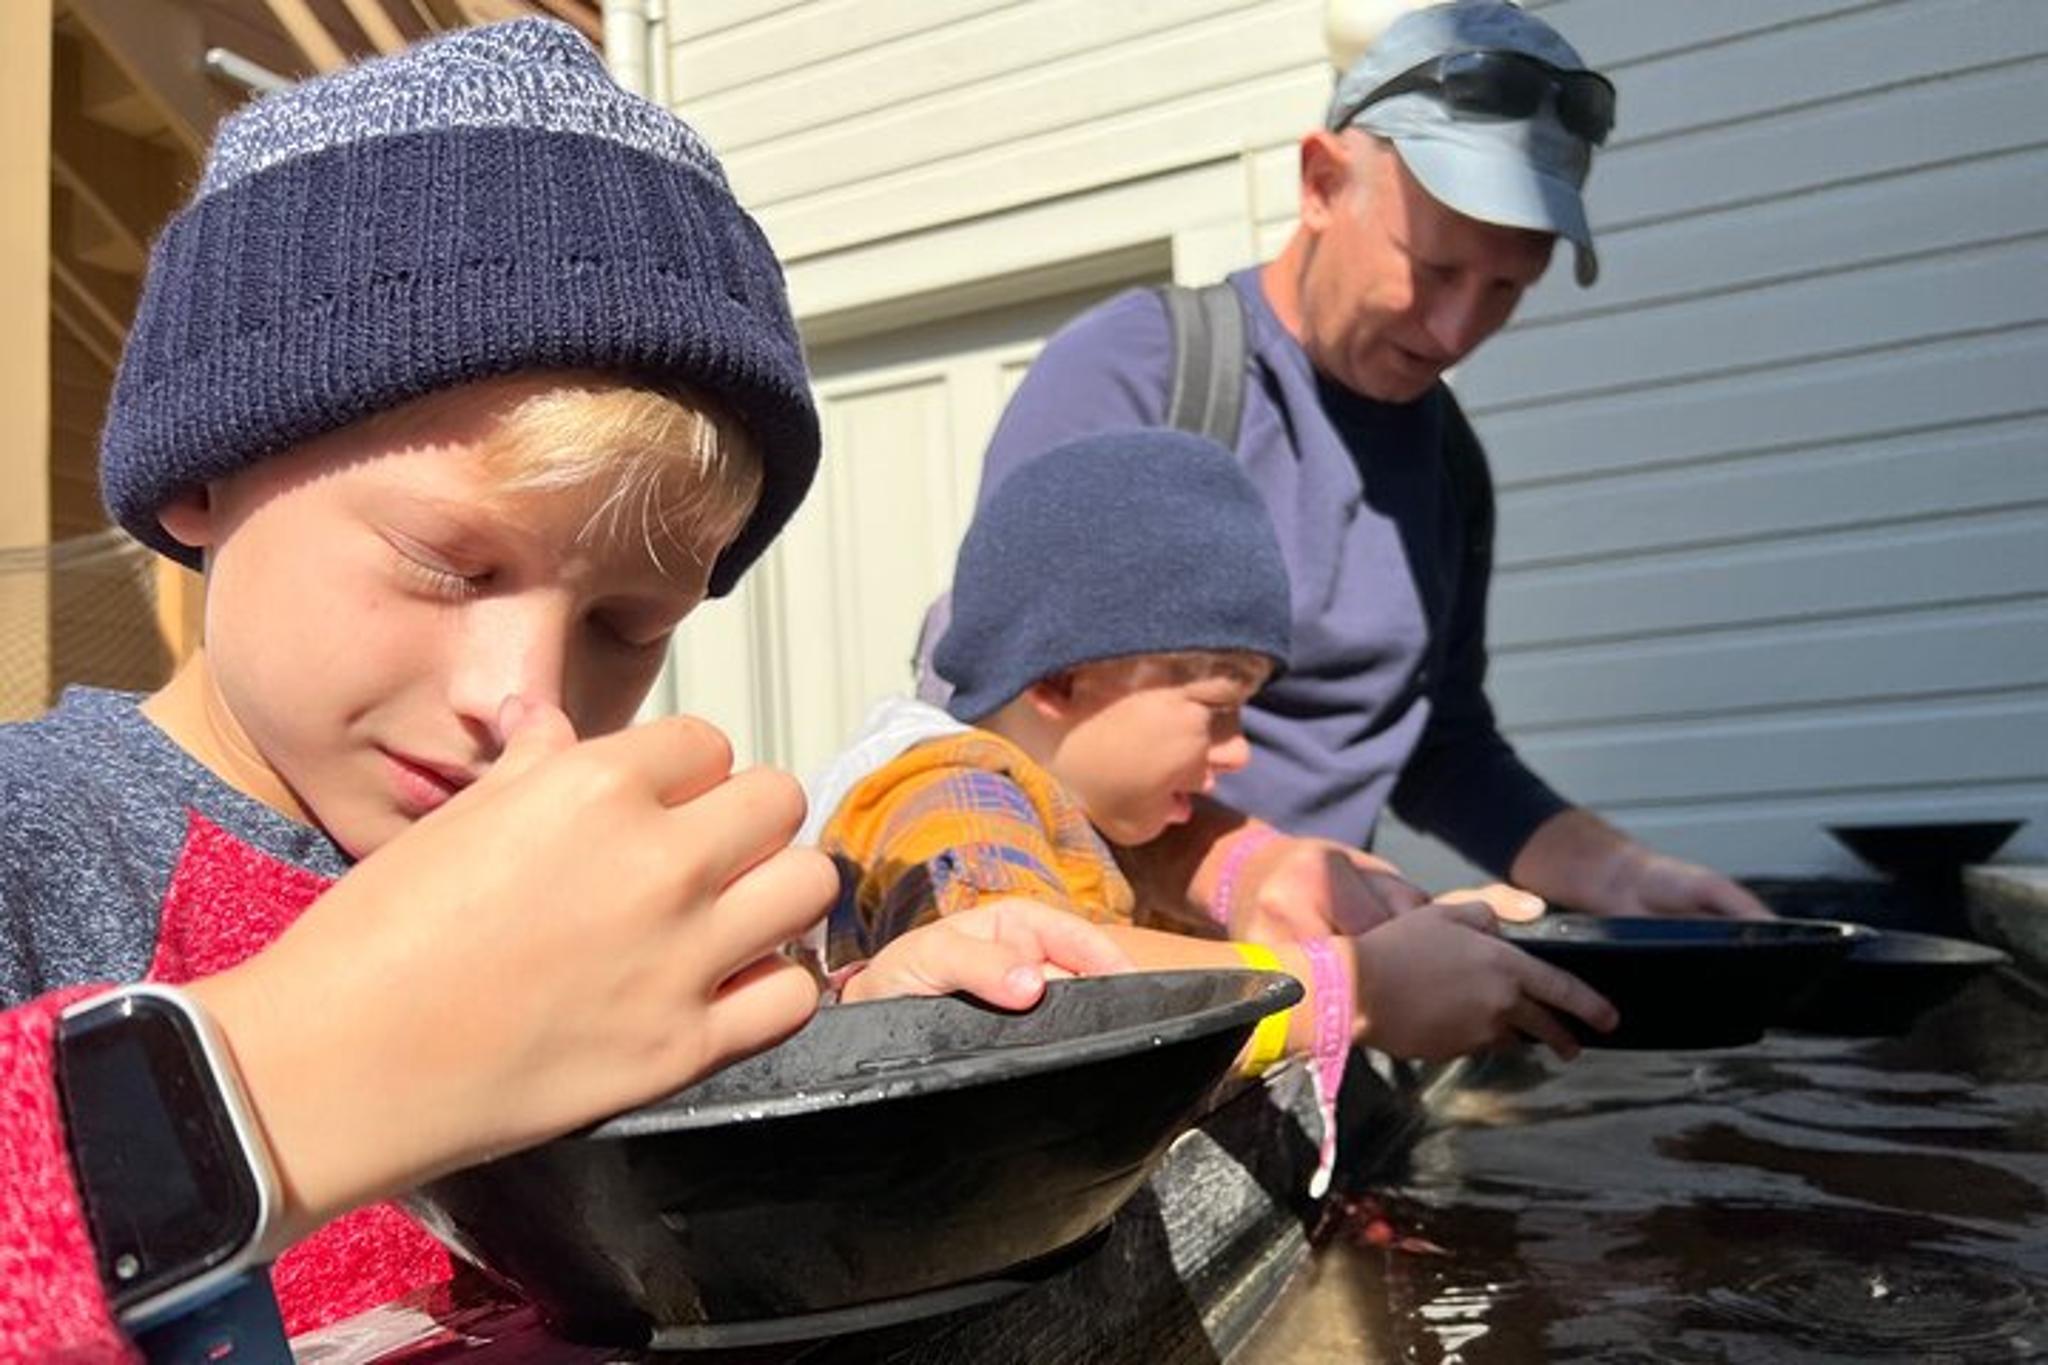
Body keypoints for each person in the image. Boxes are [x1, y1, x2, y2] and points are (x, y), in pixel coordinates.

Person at [0, 22, 1124, 1361]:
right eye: (447, 566)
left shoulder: (600, 886)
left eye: (623, 622)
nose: (523, 699)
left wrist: (847, 1070)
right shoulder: (37, 839)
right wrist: (268, 1091)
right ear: (207, 471)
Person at [927, 1, 1771, 924]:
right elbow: (991, 709)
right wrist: (1247, 869)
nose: (1456, 332)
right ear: (1321, 183)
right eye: (1435, 268)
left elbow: (1442, 748)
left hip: (1332, 984)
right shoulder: (1145, 373)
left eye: (1505, 290)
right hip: (1128, 983)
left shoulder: (1450, 464)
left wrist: (1621, 874)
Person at [815, 430, 1617, 1144]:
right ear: (1060, 680)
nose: (1237, 751)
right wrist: (1349, 988)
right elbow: (1027, 989)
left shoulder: (1076, 800)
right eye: (1218, 707)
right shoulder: (948, 790)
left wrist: (1427, 939)